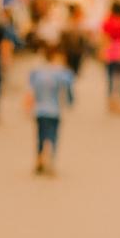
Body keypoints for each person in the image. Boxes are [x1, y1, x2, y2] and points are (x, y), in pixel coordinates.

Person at [28, 43, 76, 176]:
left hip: (39, 110)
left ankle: (39, 160)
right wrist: (70, 102)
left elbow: (31, 91)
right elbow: (68, 91)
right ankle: (51, 160)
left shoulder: (37, 72)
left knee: (40, 136)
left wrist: (29, 106)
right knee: (53, 136)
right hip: (54, 111)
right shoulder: (63, 74)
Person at [101, 1, 120, 112]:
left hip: (109, 51)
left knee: (110, 77)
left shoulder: (107, 21)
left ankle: (110, 101)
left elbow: (103, 37)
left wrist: (103, 51)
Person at [60, 5, 89, 77]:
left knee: (76, 66)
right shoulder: (69, 21)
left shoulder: (82, 22)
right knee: (69, 66)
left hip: (78, 49)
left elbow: (84, 36)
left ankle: (72, 78)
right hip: (70, 49)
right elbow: (64, 33)